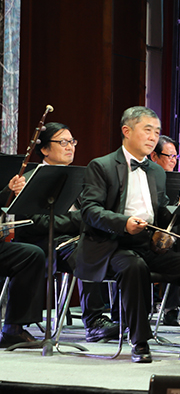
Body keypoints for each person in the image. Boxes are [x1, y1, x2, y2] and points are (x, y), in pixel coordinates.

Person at [74, 106, 180, 363]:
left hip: (146, 243)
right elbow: (90, 211)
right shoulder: (101, 165)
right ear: (126, 131)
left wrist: (179, 210)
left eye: (157, 132)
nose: (153, 137)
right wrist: (123, 223)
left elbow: (159, 213)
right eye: (147, 130)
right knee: (134, 266)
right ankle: (139, 340)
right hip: (111, 244)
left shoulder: (156, 171)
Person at [8, 122, 119, 342]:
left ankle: (121, 317)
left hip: (73, 238)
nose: (70, 147)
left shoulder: (79, 176)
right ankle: (94, 321)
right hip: (41, 243)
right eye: (63, 142)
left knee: (118, 248)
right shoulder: (28, 179)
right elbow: (35, 223)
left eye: (72, 141)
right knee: (89, 251)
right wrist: (83, 220)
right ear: (44, 149)